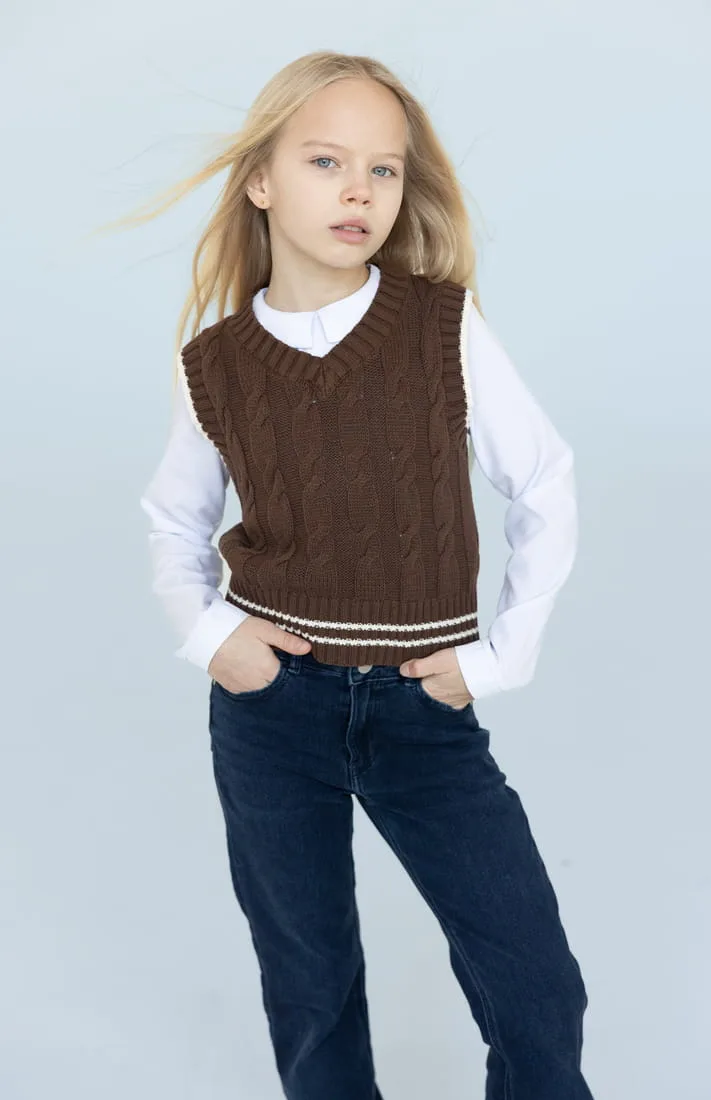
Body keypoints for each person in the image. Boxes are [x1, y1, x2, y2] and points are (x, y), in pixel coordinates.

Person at [137, 50, 595, 1100]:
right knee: (310, 988)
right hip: (270, 711)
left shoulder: (440, 325)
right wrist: (213, 639)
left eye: (383, 169)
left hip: (419, 707)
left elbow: (544, 481)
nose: (359, 190)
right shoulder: (214, 361)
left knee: (533, 984)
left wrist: (497, 658)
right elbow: (174, 518)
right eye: (327, 161)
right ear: (261, 180)